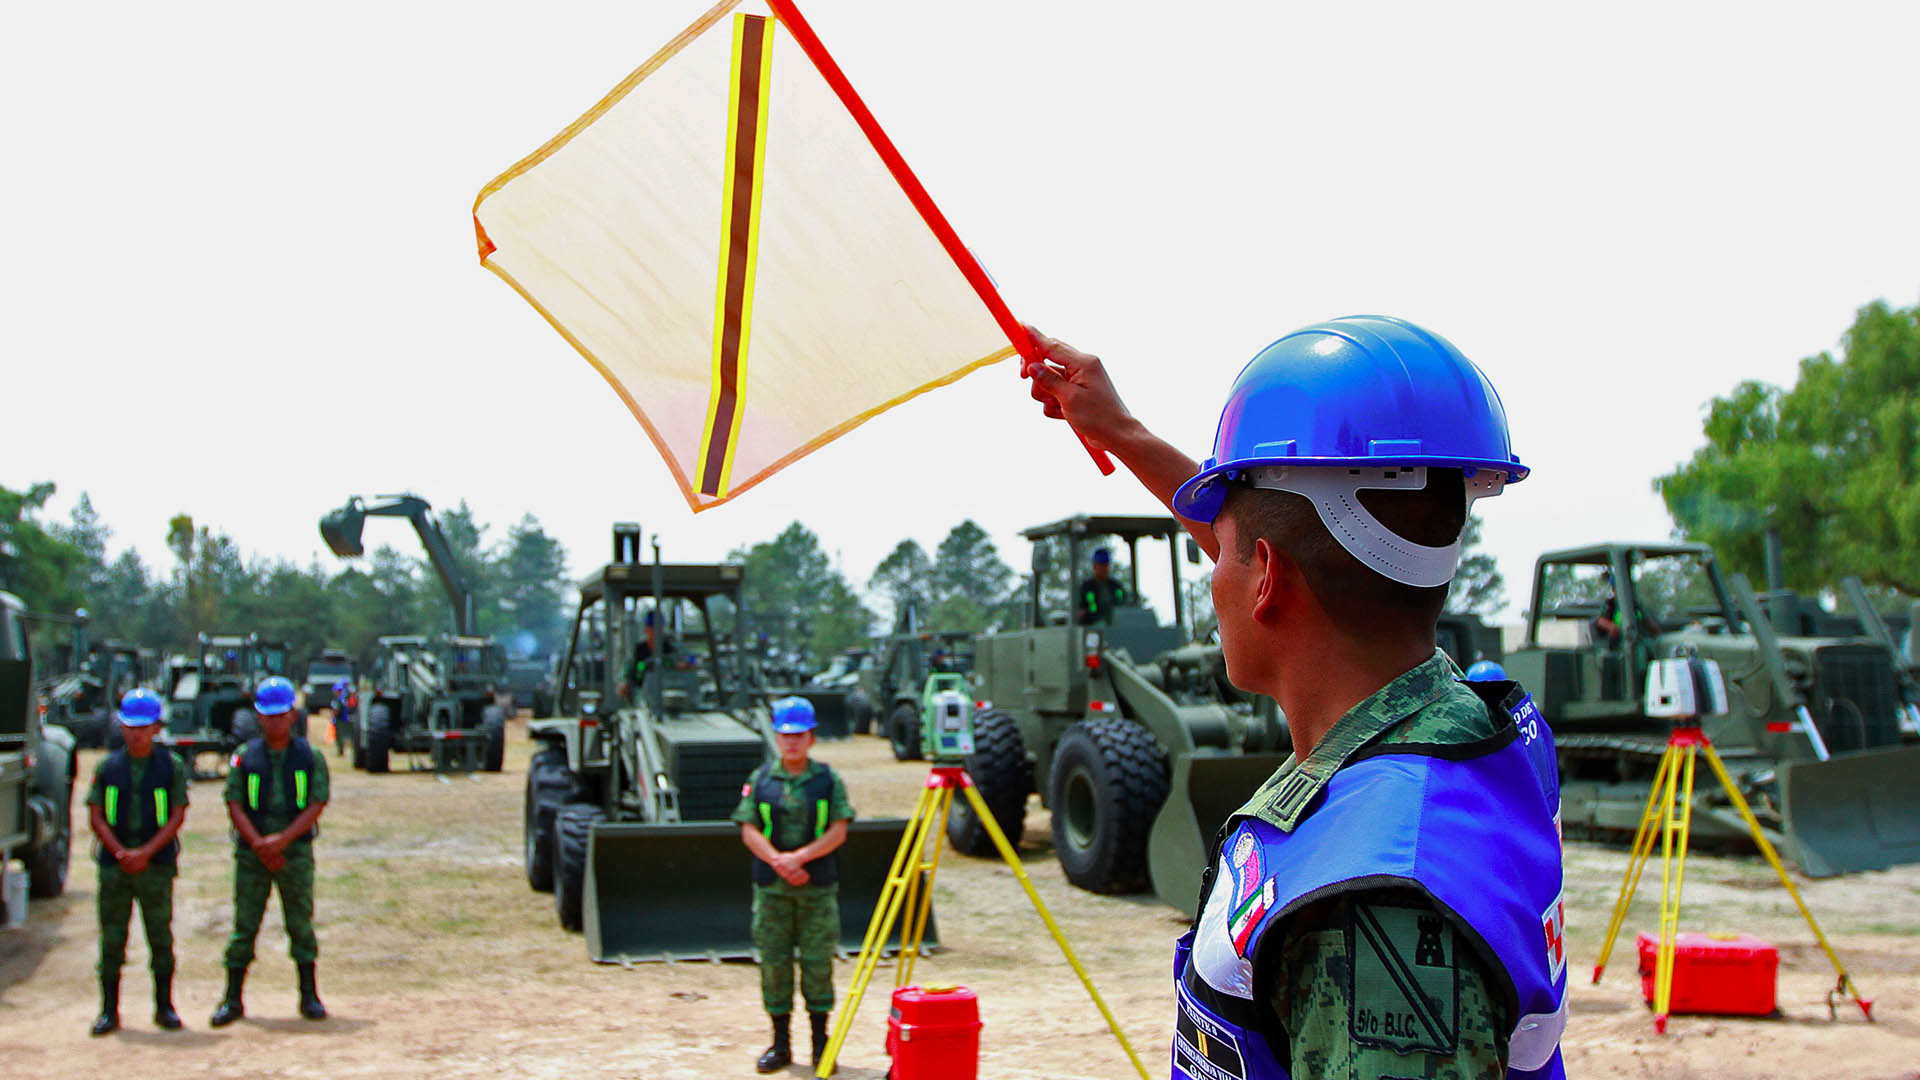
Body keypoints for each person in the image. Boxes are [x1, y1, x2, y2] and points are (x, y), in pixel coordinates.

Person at [1023, 315, 1566, 1078]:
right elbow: (1295, 545)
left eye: (1222, 551)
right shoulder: (1479, 728)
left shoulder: (1371, 903)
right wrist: (1121, 430)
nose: (1213, 575)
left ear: (1267, 578)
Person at [732, 696, 855, 1073]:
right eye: (785, 735)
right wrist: (779, 862)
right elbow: (748, 829)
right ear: (777, 737)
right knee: (775, 965)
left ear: (812, 738)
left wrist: (800, 859)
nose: (792, 742)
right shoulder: (761, 779)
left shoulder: (827, 780)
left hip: (816, 889)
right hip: (772, 891)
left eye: (799, 735)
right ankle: (780, 1044)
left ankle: (821, 1045)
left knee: (818, 965)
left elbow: (839, 829)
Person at [211, 674, 330, 1026]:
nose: (275, 721)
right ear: (258, 716)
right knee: (244, 926)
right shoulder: (245, 757)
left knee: (300, 925)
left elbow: (316, 803)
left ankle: (309, 996)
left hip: (294, 853)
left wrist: (283, 841)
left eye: (281, 714)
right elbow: (234, 803)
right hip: (252, 855)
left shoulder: (310, 756)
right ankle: (232, 999)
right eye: (268, 714)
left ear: (292, 715)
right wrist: (260, 844)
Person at [85, 687, 190, 1035]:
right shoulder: (108, 767)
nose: (137, 733)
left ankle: (164, 1007)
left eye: (144, 727)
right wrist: (119, 852)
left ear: (157, 728)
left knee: (160, 936)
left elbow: (177, 814)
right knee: (112, 939)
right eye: (131, 726)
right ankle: (108, 1011)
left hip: (155, 864)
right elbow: (96, 814)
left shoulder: (169, 767)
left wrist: (145, 853)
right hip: (115, 866)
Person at [1076, 547, 1130, 625]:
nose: (1104, 569)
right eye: (1101, 565)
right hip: (1092, 626)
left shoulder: (1116, 587)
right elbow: (1080, 609)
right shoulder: (1086, 587)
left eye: (1106, 565)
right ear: (1094, 566)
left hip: (1116, 625)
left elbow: (1123, 604)